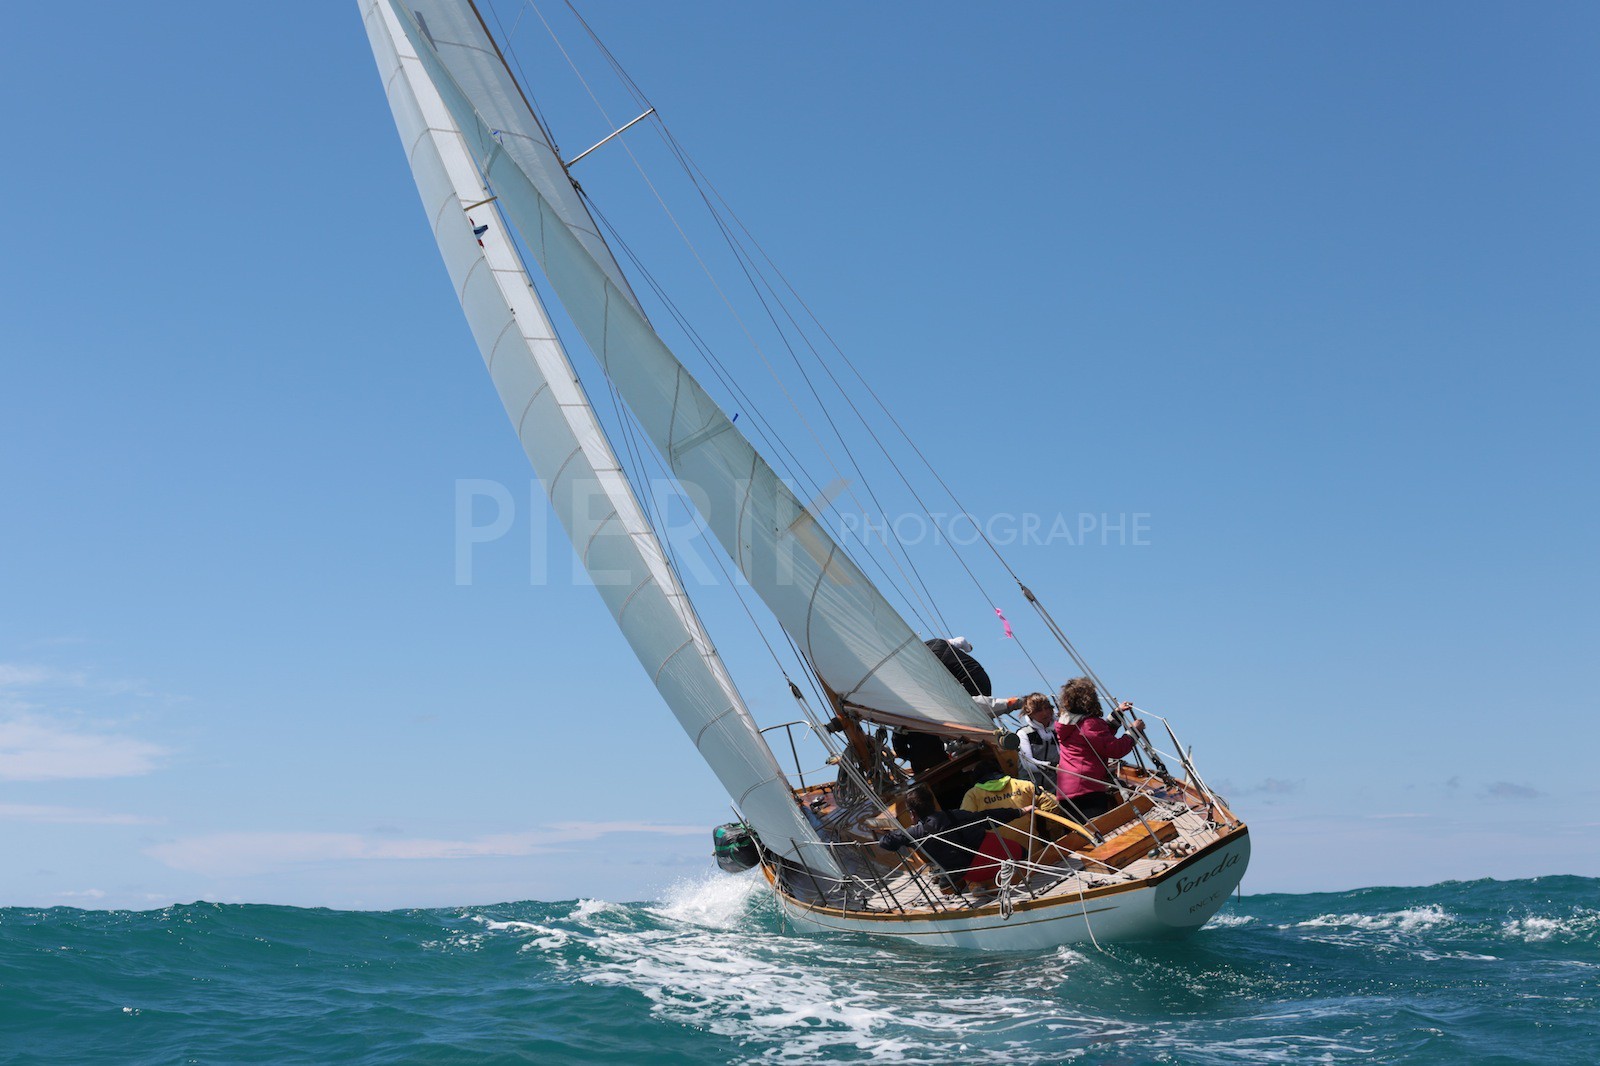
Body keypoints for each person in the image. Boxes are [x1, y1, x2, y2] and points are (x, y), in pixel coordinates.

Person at [877, 785, 1030, 894]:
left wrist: (902, 831)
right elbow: (989, 816)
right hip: (1006, 856)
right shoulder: (957, 814)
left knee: (949, 878)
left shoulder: (915, 832)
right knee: (1022, 851)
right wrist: (1019, 811)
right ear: (932, 803)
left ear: (912, 813)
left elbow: (885, 842)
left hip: (976, 873)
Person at [1054, 676, 1145, 822]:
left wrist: (1118, 714)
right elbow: (1114, 749)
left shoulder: (1067, 723)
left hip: (1067, 792)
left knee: (1084, 840)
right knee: (1099, 834)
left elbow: (1098, 736)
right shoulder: (1089, 724)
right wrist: (1134, 732)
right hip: (1087, 791)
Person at [1013, 693, 1060, 793]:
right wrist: (1052, 766)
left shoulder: (1058, 732)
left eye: (1047, 708)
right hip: (1029, 792)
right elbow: (1028, 764)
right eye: (1038, 710)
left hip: (1054, 791)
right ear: (1029, 713)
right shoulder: (1023, 734)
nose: (1045, 713)